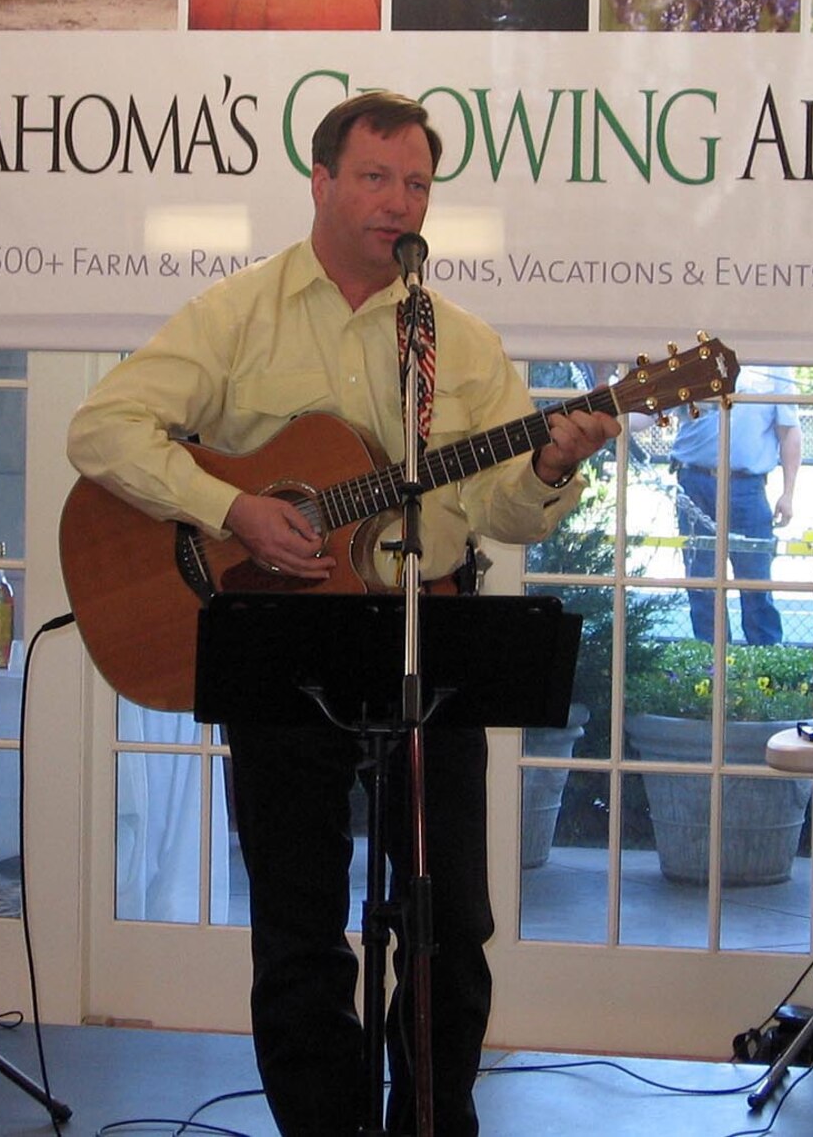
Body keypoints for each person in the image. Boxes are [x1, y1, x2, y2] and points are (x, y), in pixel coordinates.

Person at [67, 89, 618, 1137]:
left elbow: (504, 509)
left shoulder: (454, 341)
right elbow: (103, 431)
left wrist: (548, 464)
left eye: (414, 183)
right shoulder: (240, 313)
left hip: (434, 632)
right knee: (298, 923)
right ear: (320, 182)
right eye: (374, 177)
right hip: (279, 639)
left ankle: (429, 1123)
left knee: (452, 919)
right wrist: (231, 507)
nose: (396, 201)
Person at [666, 365, 801, 646]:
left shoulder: (776, 364)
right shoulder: (697, 357)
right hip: (694, 482)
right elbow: (654, 412)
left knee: (756, 584)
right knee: (701, 583)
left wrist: (788, 494)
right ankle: (709, 666)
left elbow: (789, 431)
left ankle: (765, 666)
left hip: (747, 488)